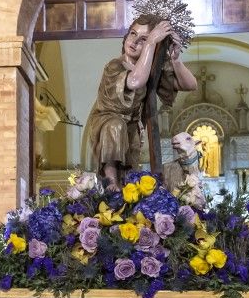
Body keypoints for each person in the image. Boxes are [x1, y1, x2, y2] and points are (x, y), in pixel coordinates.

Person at [82, 13, 199, 186]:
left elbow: (190, 85)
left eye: (144, 39)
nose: (135, 42)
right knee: (115, 126)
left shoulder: (148, 71)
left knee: (129, 176)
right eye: (133, 33)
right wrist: (151, 42)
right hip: (107, 122)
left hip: (132, 129)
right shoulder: (115, 65)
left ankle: (122, 191)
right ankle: (110, 181)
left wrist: (175, 59)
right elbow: (136, 80)